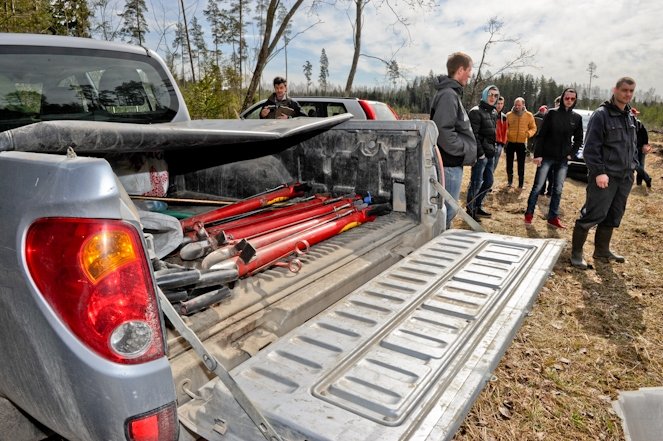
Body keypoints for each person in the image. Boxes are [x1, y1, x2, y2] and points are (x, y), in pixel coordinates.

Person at [570, 77, 639, 269]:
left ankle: (601, 250)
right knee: (592, 214)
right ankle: (576, 254)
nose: (628, 94)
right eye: (624, 90)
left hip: (624, 176)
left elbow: (631, 146)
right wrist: (599, 172)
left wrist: (634, 165)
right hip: (605, 176)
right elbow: (591, 148)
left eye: (631, 91)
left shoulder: (630, 116)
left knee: (614, 215)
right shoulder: (601, 115)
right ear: (614, 90)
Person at [430, 52, 477, 228]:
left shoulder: (451, 93)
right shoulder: (448, 95)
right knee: (447, 211)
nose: (471, 74)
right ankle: (437, 248)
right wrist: (464, 149)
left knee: (448, 211)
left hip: (451, 162)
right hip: (449, 164)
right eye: (469, 70)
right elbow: (442, 131)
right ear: (460, 70)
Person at [524, 88, 583, 229]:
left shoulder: (576, 118)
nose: (569, 101)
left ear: (575, 100)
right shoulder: (551, 113)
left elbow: (579, 139)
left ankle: (552, 218)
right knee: (537, 187)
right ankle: (529, 214)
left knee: (557, 189)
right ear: (562, 98)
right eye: (567, 98)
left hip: (563, 159)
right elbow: (541, 135)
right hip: (546, 157)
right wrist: (538, 155)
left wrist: (572, 154)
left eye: (572, 99)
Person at [465, 85, 499, 220]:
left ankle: (477, 206)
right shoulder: (475, 112)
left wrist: (493, 149)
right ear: (485, 95)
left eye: (496, 95)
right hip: (480, 155)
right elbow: (473, 135)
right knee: (476, 182)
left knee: (488, 182)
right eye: (490, 94)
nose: (493, 98)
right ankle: (470, 209)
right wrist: (480, 153)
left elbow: (492, 134)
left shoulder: (494, 112)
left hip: (490, 153)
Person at [505, 97, 537, 188]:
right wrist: (508, 133)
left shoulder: (529, 115)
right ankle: (509, 182)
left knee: (521, 164)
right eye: (515, 105)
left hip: (522, 143)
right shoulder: (509, 115)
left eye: (519, 105)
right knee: (509, 163)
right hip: (510, 142)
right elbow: (505, 127)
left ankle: (520, 184)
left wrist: (528, 134)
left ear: (523, 105)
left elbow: (533, 128)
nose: (517, 107)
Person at [632, 107, 653, 189]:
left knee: (639, 165)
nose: (636, 115)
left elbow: (645, 135)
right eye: (635, 113)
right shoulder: (628, 123)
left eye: (636, 114)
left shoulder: (639, 123)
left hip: (639, 147)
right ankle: (647, 179)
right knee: (637, 165)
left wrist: (645, 145)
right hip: (634, 148)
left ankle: (640, 183)